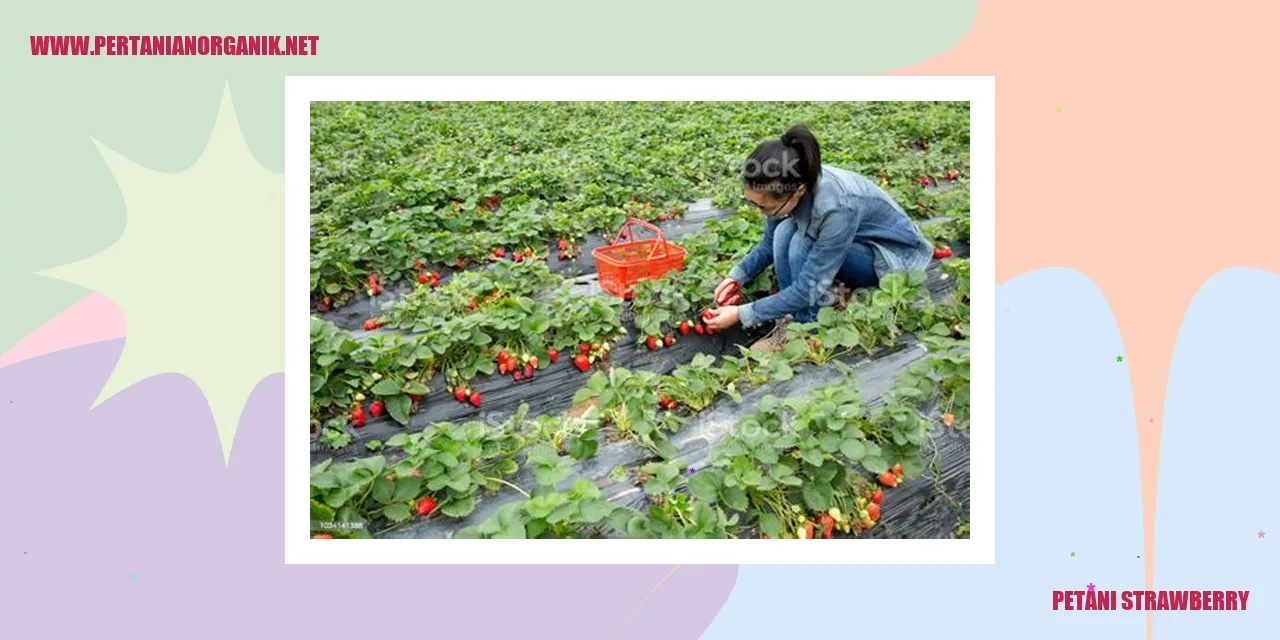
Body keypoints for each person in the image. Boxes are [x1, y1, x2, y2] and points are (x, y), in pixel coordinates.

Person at [704, 124, 934, 351]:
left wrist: (743, 313)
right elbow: (768, 243)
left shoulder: (836, 208)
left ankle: (808, 329)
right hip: (853, 246)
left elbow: (807, 289)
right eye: (753, 203)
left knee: (801, 242)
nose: (759, 211)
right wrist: (736, 276)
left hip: (890, 259)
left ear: (799, 191)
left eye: (763, 207)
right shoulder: (786, 181)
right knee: (784, 232)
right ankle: (791, 319)